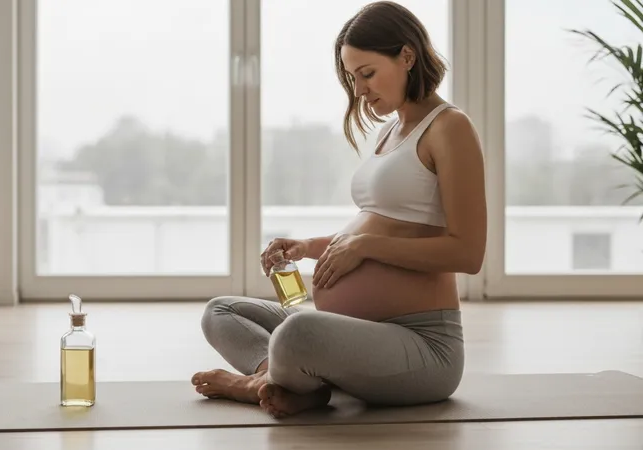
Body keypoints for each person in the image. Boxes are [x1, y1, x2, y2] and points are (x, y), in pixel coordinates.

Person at [191, 0, 487, 419]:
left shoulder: (450, 127)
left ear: (407, 56)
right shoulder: (390, 132)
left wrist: (364, 247)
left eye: (367, 73)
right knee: (221, 311)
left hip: (421, 346)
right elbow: (387, 229)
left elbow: (467, 254)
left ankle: (257, 382)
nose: (359, 90)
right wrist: (308, 246)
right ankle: (287, 381)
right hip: (352, 335)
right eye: (352, 78)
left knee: (297, 331)